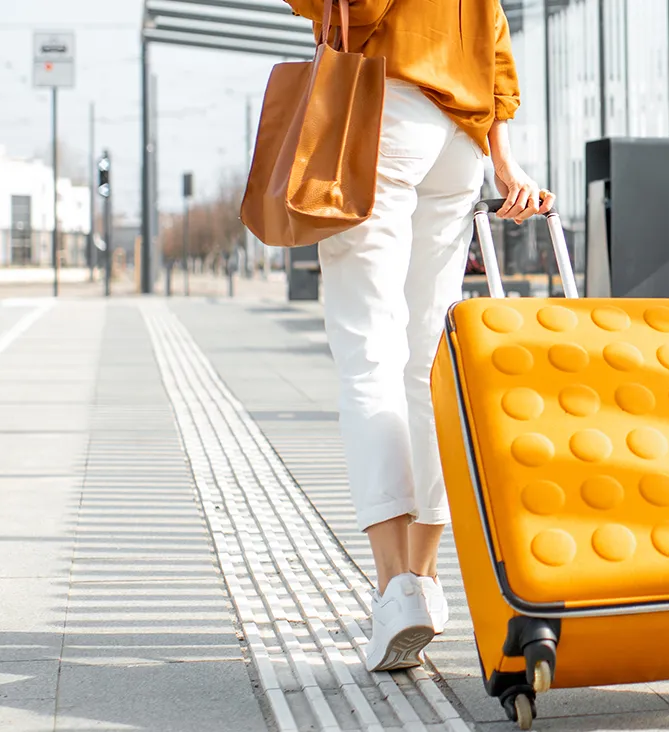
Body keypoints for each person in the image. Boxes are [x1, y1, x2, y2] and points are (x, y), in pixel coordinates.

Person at [283, 0, 555, 672]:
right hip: (460, 142)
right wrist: (506, 163)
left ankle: (395, 589)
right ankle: (427, 582)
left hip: (381, 111)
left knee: (368, 356)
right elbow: (494, 43)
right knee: (424, 363)